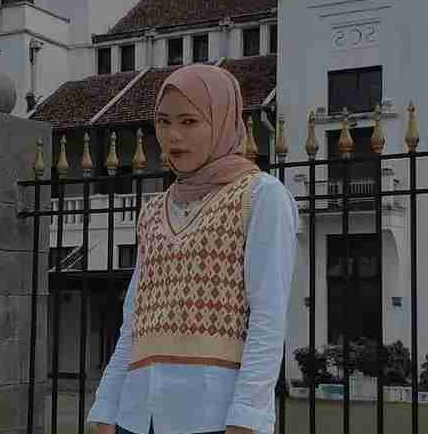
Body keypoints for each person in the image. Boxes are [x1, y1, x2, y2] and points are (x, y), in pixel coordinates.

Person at [87, 64, 299, 434]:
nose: (173, 136)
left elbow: (268, 316)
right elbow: (134, 320)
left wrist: (247, 417)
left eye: (189, 121)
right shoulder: (153, 211)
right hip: (137, 416)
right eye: (164, 122)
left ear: (222, 121)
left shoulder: (260, 196)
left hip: (212, 415)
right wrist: (105, 407)